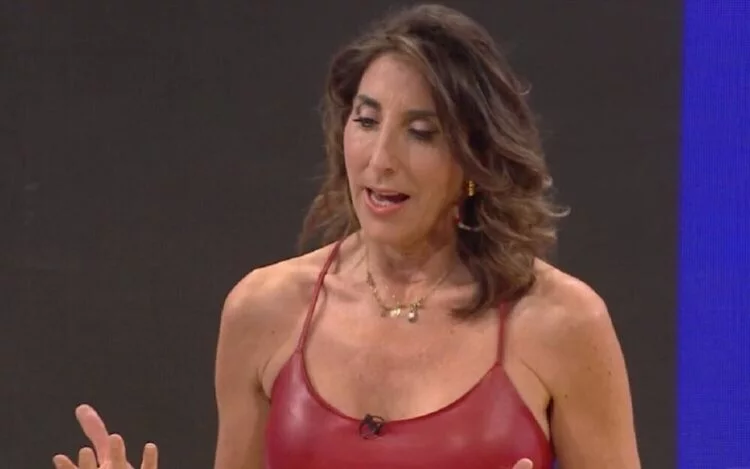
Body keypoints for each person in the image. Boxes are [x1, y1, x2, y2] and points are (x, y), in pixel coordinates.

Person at [52, 4, 641, 469]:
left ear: (475, 157)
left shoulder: (561, 323)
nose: (380, 159)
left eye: (421, 132)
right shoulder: (263, 310)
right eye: (366, 120)